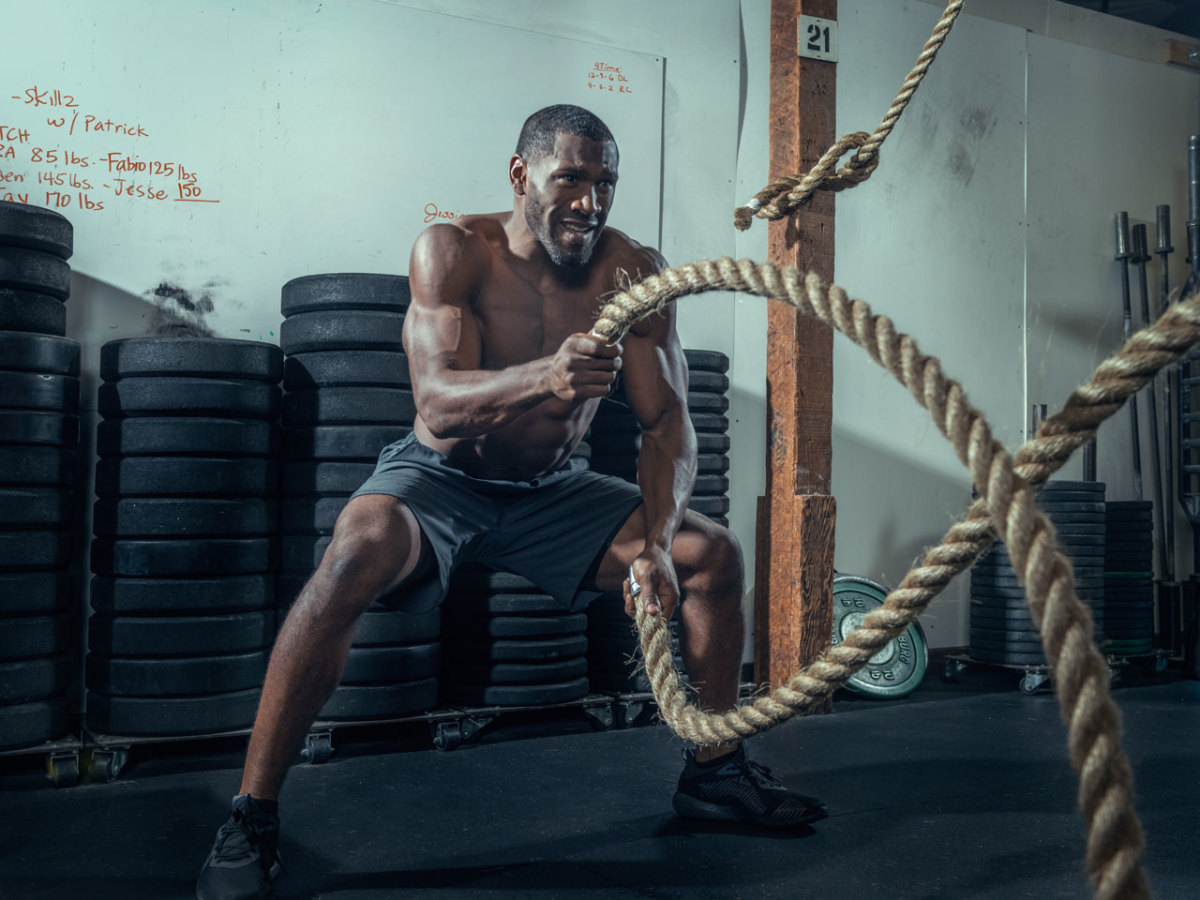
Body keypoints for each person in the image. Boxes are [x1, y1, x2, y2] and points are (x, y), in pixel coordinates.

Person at [196, 104, 826, 900]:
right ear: (521, 174)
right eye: (571, 178)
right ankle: (252, 815)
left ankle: (715, 771)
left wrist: (658, 540)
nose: (590, 202)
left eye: (605, 183)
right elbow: (437, 404)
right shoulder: (454, 250)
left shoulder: (632, 272)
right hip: (440, 478)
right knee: (352, 554)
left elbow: (668, 425)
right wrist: (545, 377)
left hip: (552, 491)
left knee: (712, 556)